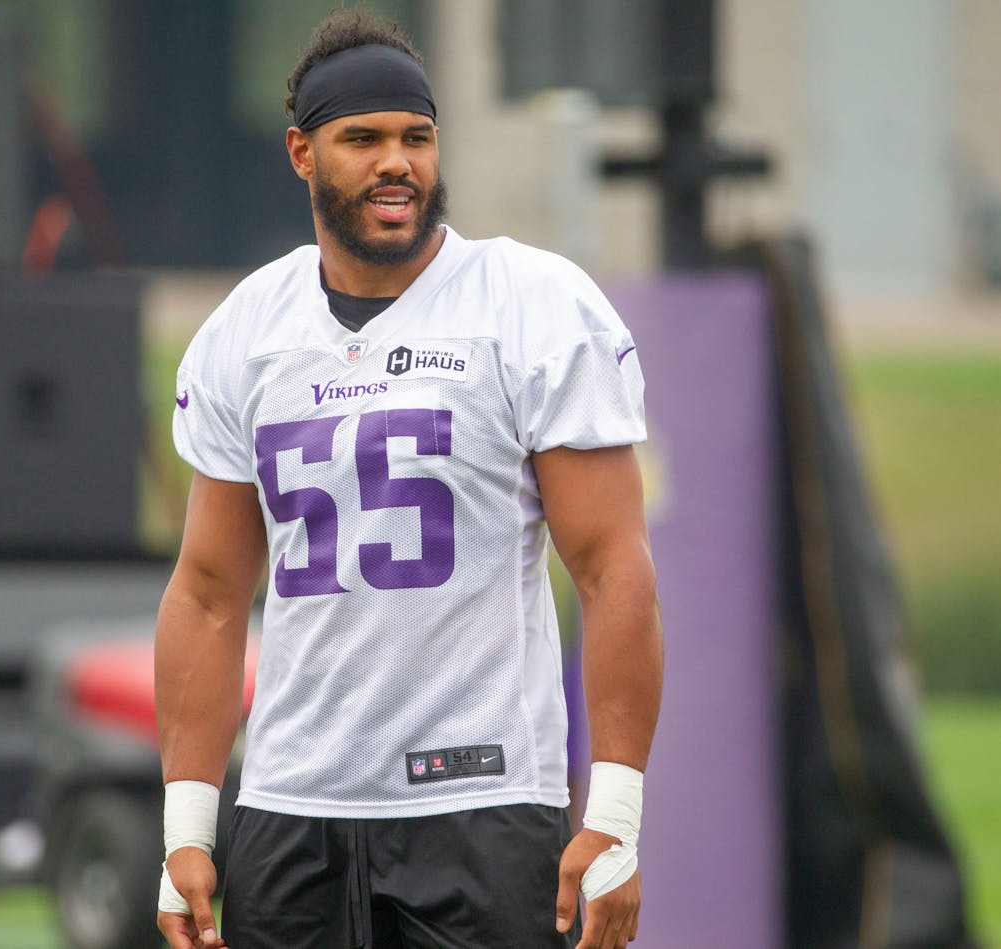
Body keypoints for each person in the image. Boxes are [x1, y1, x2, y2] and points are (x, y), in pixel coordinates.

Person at [155, 10, 662, 949]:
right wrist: (188, 825)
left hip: (481, 798)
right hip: (289, 807)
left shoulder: (528, 303)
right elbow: (210, 591)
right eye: (364, 139)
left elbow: (612, 569)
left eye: (416, 137)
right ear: (302, 153)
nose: (398, 162)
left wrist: (617, 812)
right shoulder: (246, 328)